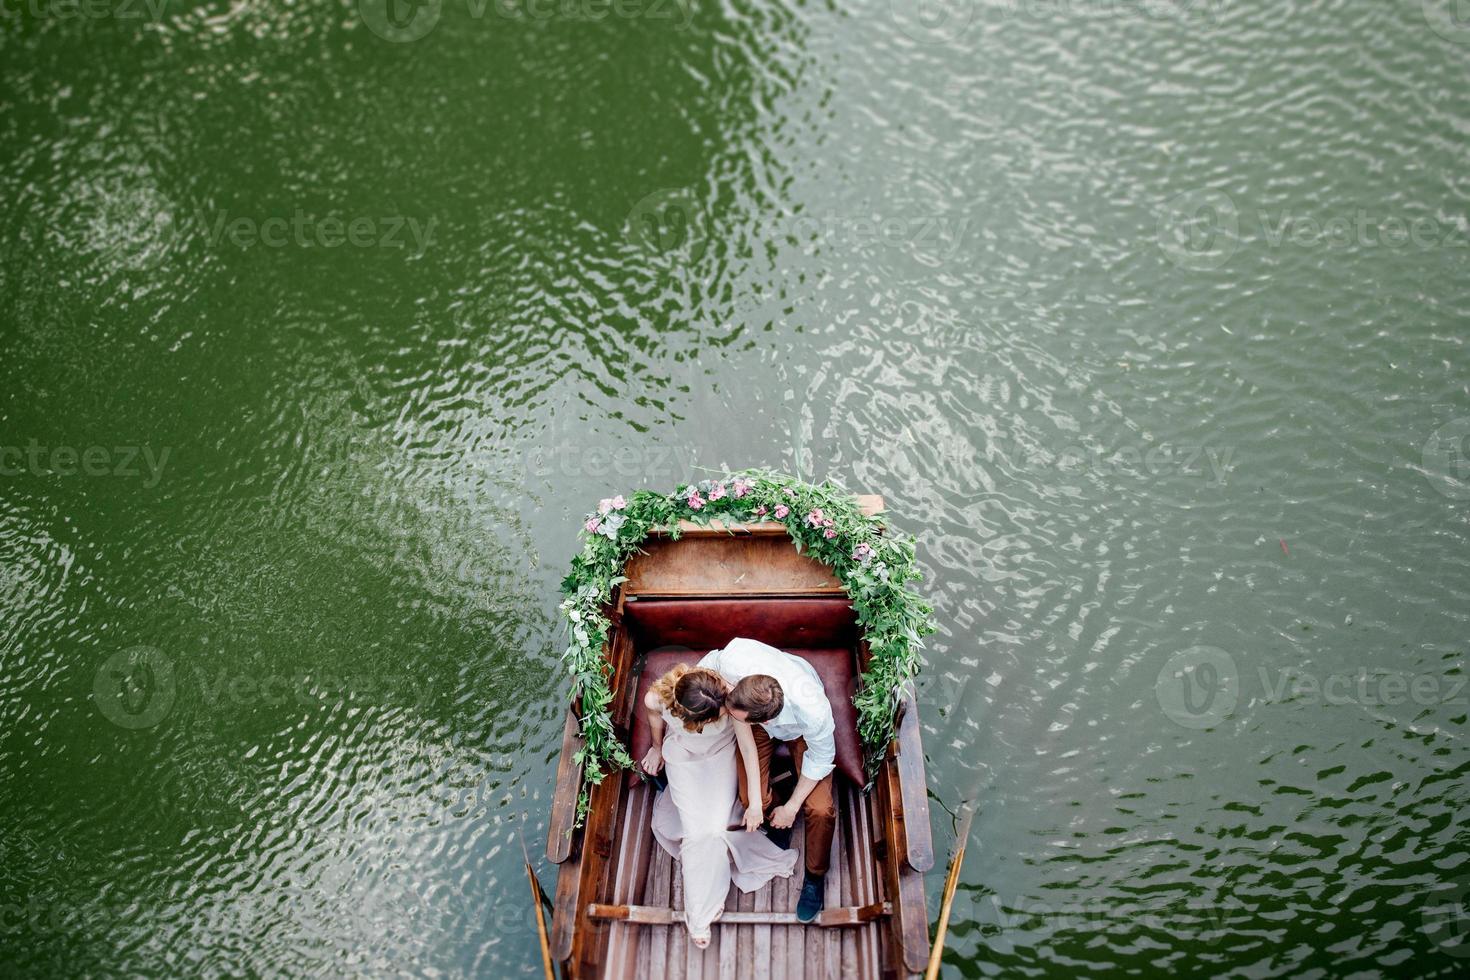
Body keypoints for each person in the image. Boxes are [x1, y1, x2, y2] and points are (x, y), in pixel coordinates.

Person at [640, 663, 797, 948]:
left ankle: (701, 909)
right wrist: (656, 746)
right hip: (683, 757)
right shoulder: (657, 697)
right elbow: (654, 716)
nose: (724, 713)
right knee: (696, 834)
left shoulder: (728, 697)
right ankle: (700, 912)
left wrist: (755, 806)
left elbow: (748, 749)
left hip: (721, 757)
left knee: (712, 831)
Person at [697, 636, 837, 923]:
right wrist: (757, 805)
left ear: (765, 722)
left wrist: (792, 808)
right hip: (754, 709)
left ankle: (815, 876)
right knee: (750, 799)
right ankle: (775, 802)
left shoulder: (815, 712)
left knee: (820, 809)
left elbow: (822, 759)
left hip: (801, 732)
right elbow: (704, 673)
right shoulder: (733, 660)